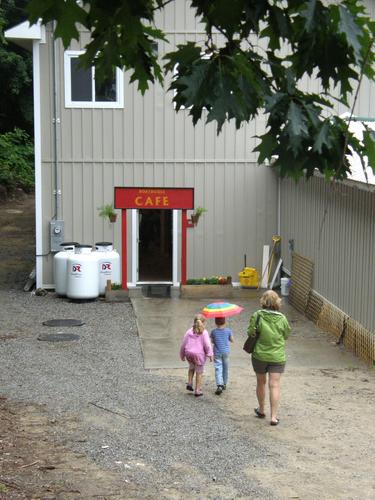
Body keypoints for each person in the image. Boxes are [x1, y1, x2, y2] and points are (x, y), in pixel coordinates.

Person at [247, 290, 291, 426]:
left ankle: (261, 409)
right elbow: (286, 334)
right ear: (277, 302)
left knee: (261, 383)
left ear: (263, 301)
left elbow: (250, 332)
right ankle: (273, 417)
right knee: (275, 385)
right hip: (277, 356)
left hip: (260, 355)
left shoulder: (257, 316)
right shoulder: (282, 318)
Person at [180, 314, 213, 397]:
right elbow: (207, 345)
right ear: (203, 323)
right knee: (199, 372)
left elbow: (183, 343)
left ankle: (190, 383)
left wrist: (182, 354)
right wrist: (210, 354)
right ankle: (197, 390)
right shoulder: (204, 332)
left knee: (191, 368)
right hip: (199, 355)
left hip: (189, 353)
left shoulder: (189, 331)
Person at [210, 317, 234, 395]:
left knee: (218, 368)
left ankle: (219, 385)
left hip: (217, 352)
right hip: (226, 352)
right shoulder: (228, 331)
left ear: (215, 323)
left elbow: (212, 341)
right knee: (225, 368)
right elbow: (232, 340)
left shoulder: (213, 332)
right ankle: (224, 383)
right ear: (225, 322)